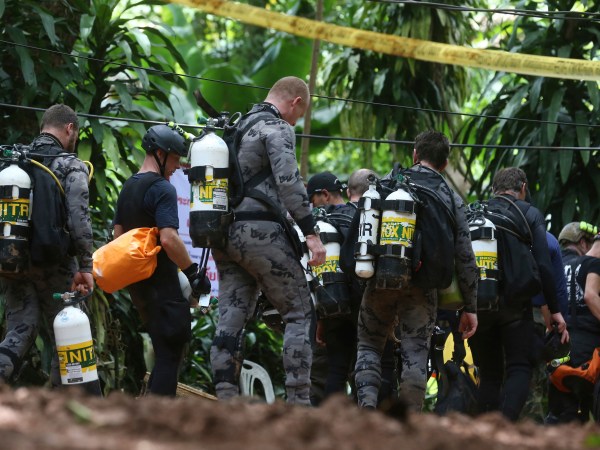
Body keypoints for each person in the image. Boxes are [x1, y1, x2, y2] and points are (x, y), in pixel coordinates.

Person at [210, 76, 326, 405]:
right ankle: (299, 406)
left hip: (224, 236)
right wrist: (311, 234)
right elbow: (290, 184)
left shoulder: (236, 128)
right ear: (296, 103)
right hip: (260, 234)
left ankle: (226, 401)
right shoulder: (276, 128)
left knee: (231, 316)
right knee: (299, 313)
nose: (296, 121)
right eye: (299, 116)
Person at [354, 131, 479, 411]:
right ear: (445, 163)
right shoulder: (450, 196)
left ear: (414, 154)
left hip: (380, 281)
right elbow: (465, 255)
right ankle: (409, 426)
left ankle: (365, 413)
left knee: (369, 346)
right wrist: (469, 306)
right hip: (422, 290)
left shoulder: (387, 183)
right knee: (415, 351)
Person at [0, 104, 96, 391]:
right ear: (69, 129)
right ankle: (64, 407)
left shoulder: (15, 164)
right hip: (56, 266)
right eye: (75, 134)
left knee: (20, 331)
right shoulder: (70, 165)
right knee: (68, 335)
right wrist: (87, 267)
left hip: (13, 260)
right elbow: (79, 222)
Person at [468, 167, 568, 421]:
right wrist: (554, 310)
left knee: (489, 374)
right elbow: (543, 265)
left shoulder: (476, 213)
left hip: (479, 302)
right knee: (519, 366)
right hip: (515, 305)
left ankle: (485, 432)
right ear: (523, 187)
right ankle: (504, 427)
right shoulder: (529, 213)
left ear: (493, 190)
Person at [113, 123, 204, 396]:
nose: (178, 166)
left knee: (163, 350)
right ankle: (156, 423)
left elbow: (117, 237)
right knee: (169, 356)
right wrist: (193, 272)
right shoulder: (162, 188)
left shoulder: (128, 187)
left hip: (139, 288)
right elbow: (169, 239)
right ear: (161, 153)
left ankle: (148, 414)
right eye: (176, 158)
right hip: (162, 284)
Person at [306, 171, 357, 405]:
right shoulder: (359, 215)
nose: (311, 205)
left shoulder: (318, 226)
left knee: (337, 368)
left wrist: (322, 318)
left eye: (312, 198)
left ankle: (331, 423)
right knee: (365, 368)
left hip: (333, 306)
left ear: (324, 194)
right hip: (362, 306)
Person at [547, 233, 600, 423]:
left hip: (560, 344)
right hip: (588, 351)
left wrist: (551, 331)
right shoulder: (594, 264)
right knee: (586, 405)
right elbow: (590, 296)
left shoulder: (564, 264)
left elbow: (547, 299)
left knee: (561, 414)